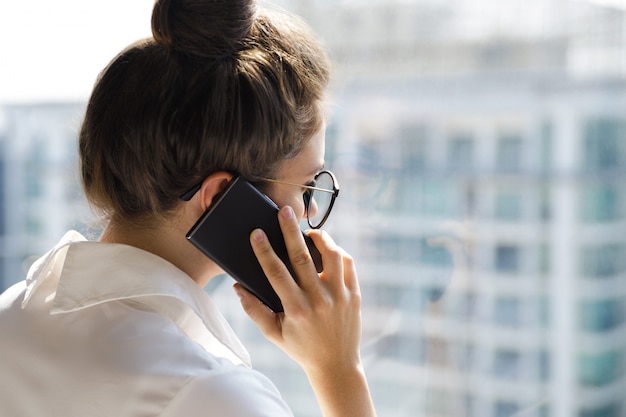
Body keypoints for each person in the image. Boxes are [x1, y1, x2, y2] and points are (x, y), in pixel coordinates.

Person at [0, 0, 377, 416]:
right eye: (306, 188)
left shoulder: (10, 318)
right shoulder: (213, 394)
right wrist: (340, 370)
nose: (309, 218)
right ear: (219, 199)